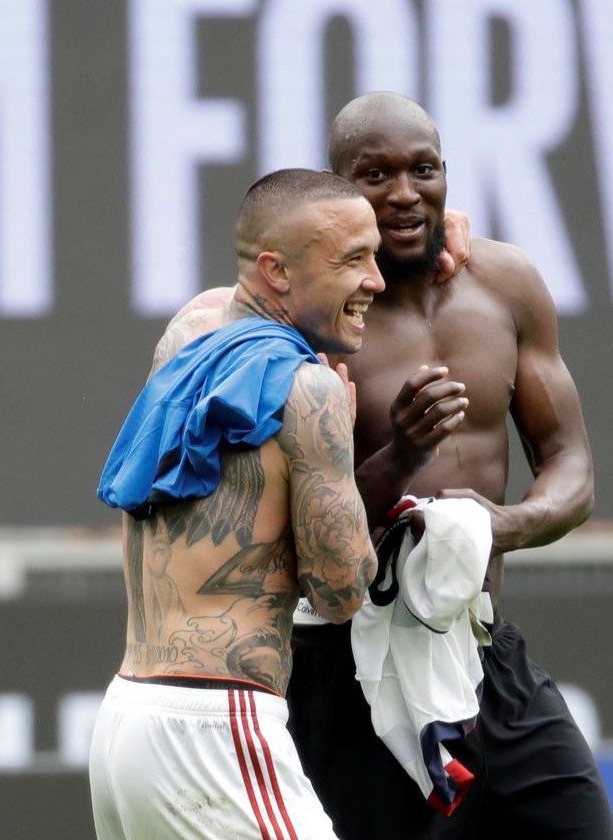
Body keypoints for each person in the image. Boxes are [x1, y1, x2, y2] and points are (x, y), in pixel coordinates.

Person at [288, 92, 613, 840]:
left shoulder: (506, 285)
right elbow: (300, 535)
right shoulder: (311, 324)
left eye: (423, 169)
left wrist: (509, 524)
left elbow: (570, 464)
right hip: (352, 668)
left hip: (483, 649)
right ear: (337, 191)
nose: (404, 193)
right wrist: (399, 453)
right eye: (375, 175)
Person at [88, 168, 384, 840]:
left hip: (125, 721)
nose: (378, 281)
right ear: (277, 271)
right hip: (217, 731)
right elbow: (341, 596)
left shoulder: (188, 332)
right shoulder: (311, 394)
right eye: (354, 261)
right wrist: (346, 468)